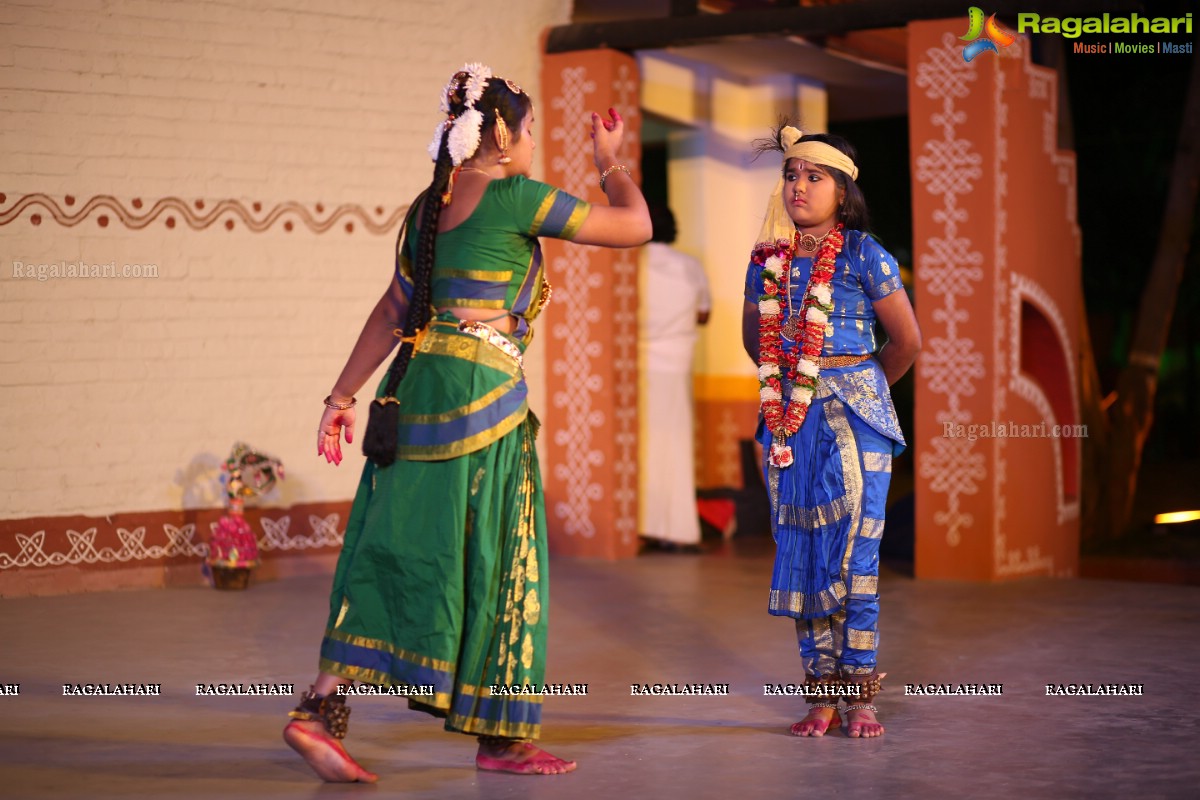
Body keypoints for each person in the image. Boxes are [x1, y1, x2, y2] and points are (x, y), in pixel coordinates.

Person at [284, 63, 650, 781]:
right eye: (533, 128)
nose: (535, 141)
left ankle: (318, 709)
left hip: (414, 391)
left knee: (394, 545)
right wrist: (610, 165)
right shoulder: (517, 197)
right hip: (484, 398)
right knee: (500, 559)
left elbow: (394, 311)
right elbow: (635, 226)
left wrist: (340, 397)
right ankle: (502, 738)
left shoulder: (429, 207)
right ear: (506, 132)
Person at [741, 124, 920, 738]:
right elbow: (752, 339)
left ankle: (858, 696)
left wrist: (861, 387)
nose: (798, 186)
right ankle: (820, 694)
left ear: (842, 193)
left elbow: (907, 341)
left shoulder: (865, 253)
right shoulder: (766, 258)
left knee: (855, 556)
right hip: (789, 422)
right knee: (804, 553)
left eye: (814, 177)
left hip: (859, 421)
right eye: (791, 174)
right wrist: (795, 386)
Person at [639, 205, 711, 553]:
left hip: (636, 366)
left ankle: (642, 525)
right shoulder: (689, 266)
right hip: (677, 363)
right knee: (676, 446)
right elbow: (704, 313)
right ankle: (680, 531)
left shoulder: (631, 266)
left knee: (641, 446)